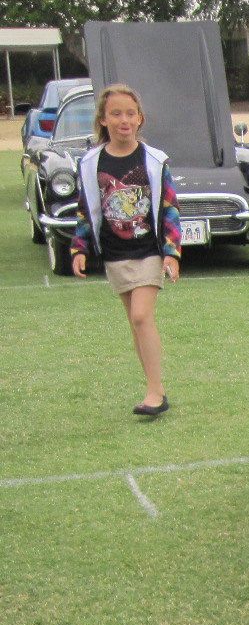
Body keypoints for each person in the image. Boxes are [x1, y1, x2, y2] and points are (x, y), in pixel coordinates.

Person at [70, 83, 181, 417]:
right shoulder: (91, 162)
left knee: (141, 316)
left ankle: (156, 392)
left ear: (139, 118)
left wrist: (172, 252)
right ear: (103, 119)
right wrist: (79, 247)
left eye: (130, 113)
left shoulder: (155, 160)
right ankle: (153, 387)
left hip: (148, 249)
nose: (124, 120)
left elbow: (170, 208)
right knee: (136, 324)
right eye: (116, 113)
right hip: (115, 253)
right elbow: (85, 208)